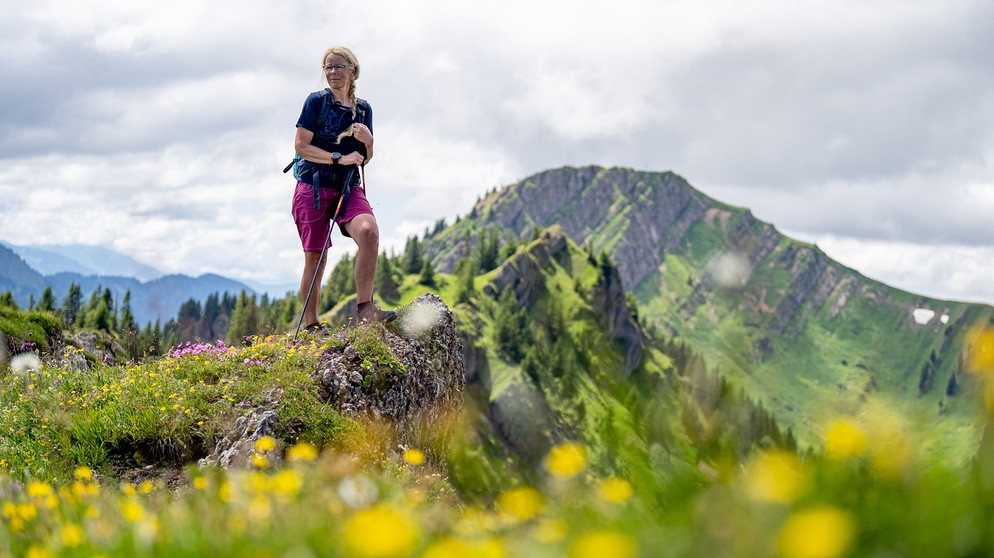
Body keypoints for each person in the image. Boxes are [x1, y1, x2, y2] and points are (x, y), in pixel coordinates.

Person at [291, 46, 396, 329]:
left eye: (338, 67)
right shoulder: (316, 102)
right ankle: (312, 325)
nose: (332, 72)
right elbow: (301, 146)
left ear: (353, 71)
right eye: (328, 67)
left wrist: (370, 142)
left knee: (369, 232)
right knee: (317, 257)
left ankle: (365, 309)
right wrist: (337, 158)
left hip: (348, 187)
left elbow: (364, 158)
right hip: (312, 187)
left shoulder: (364, 109)